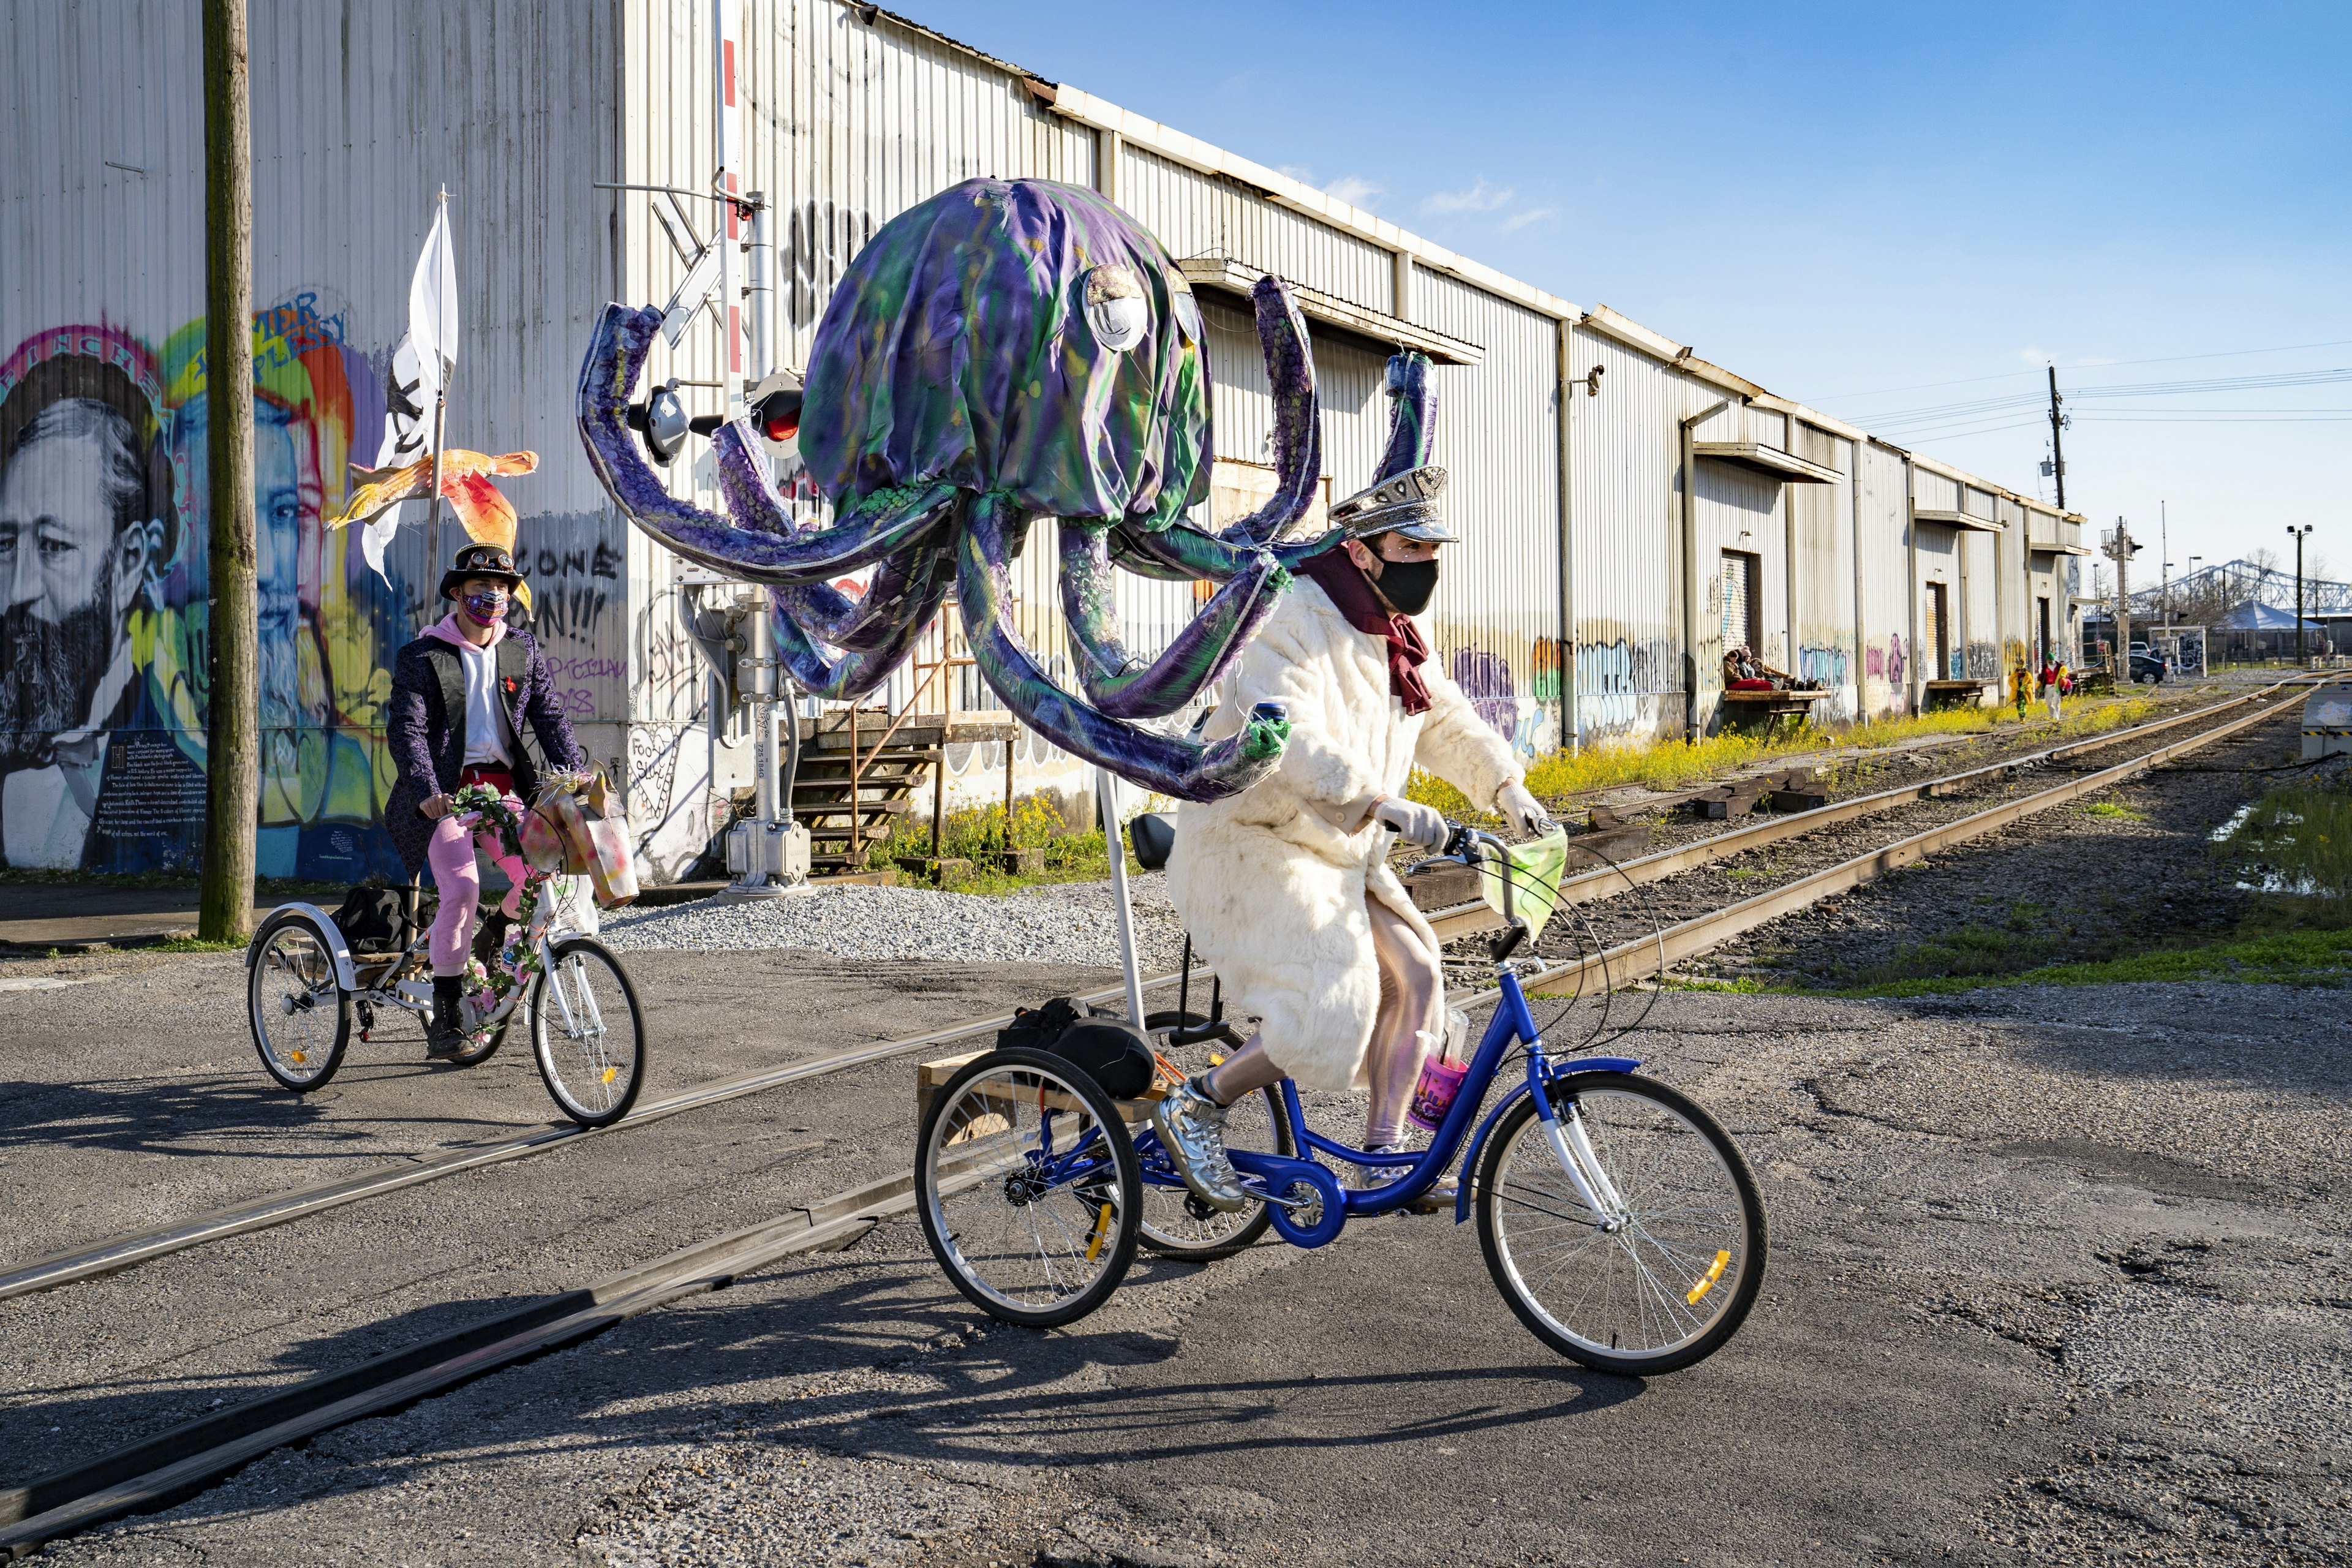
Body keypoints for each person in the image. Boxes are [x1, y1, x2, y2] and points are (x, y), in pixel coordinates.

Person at [1157, 465, 1553, 1208]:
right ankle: (1199, 1100)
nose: (1427, 565)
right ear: (1365, 551)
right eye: (1411, 549)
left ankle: (1383, 1159)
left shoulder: (1397, 630)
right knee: (1333, 998)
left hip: (1336, 848)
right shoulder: (1293, 614)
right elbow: (1283, 731)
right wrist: (1374, 799)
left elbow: (1444, 717)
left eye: (1434, 550)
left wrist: (1508, 788)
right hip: (1254, 839)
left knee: (1419, 974)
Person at [386, 543, 581, 1058]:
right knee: (462, 888)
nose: (493, 597)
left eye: (502, 589)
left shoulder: (521, 649)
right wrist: (427, 791)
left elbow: (550, 718)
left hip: (501, 791)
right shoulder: (422, 656)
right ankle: (448, 1012)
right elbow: (408, 731)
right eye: (480, 590)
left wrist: (574, 773)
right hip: (445, 796)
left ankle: (493, 935)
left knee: (543, 879)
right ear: (456, 593)